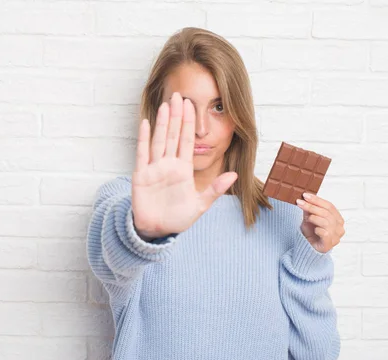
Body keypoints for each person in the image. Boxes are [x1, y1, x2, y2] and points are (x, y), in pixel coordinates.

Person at [86, 27, 345, 360]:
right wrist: (145, 232)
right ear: (157, 110)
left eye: (219, 107)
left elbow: (318, 355)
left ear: (239, 116)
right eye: (185, 106)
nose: (201, 129)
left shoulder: (283, 213)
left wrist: (311, 257)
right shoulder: (125, 201)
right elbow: (112, 259)